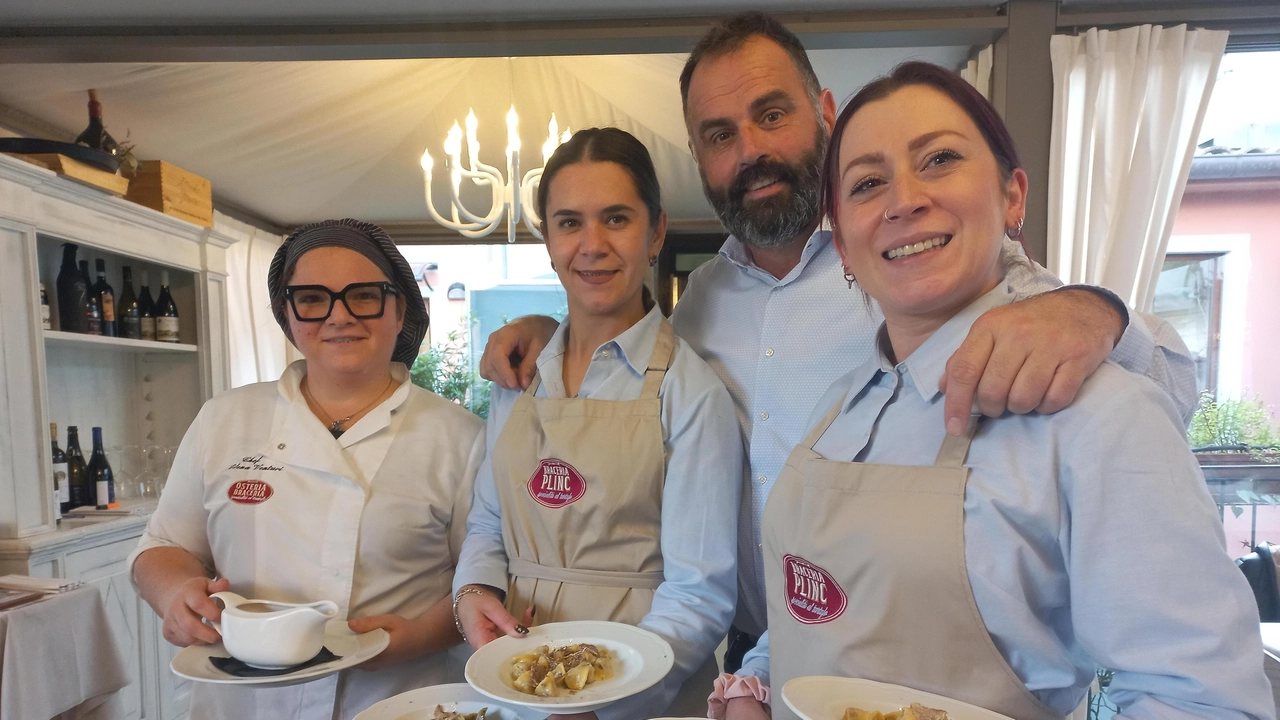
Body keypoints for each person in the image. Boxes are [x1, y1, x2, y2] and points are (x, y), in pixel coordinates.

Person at [479, 12, 1199, 673]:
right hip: (766, 651)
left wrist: (1097, 315)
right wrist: (550, 330)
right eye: (721, 135)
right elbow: (621, 373)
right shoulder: (700, 303)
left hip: (941, 656)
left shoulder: (905, 257)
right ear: (698, 156)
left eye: (771, 114)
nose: (751, 151)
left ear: (824, 113)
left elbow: (1163, 386)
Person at [714, 62, 1272, 720]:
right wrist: (758, 682)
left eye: (940, 158)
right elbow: (822, 598)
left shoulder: (1098, 415)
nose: (903, 200)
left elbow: (1202, 698)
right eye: (867, 183)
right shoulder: (839, 406)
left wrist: (1099, 309)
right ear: (841, 239)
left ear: (1013, 195)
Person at [129, 219, 485, 719]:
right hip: (245, 703)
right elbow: (164, 546)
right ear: (286, 314)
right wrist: (175, 595)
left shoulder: (461, 437)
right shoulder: (225, 419)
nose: (338, 317)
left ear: (400, 308)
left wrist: (416, 637)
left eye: (363, 296)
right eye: (312, 299)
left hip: (396, 698)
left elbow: (483, 579)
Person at [452, 128, 742, 719]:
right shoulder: (518, 376)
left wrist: (602, 695)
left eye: (615, 218)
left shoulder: (692, 394)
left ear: (655, 230)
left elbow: (699, 592)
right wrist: (474, 591)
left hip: (641, 694)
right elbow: (489, 518)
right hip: (517, 674)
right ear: (547, 238)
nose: (592, 245)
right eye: (569, 222)